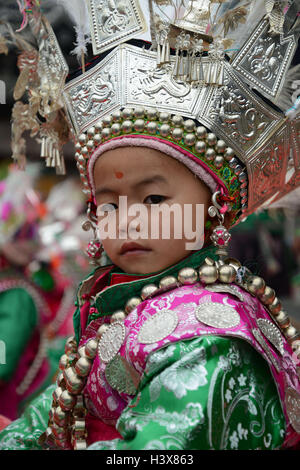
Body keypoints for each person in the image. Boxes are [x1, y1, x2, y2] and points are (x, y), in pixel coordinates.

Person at [0, 0, 300, 451]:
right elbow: (54, 411)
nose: (128, 221)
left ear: (213, 209)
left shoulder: (209, 336)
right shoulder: (124, 299)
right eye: (110, 204)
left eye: (155, 198)